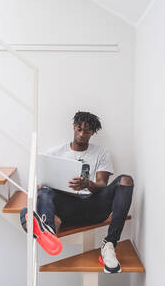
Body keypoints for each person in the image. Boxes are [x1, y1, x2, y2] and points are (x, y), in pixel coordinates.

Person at [20, 111, 134, 273]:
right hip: (67, 207)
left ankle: (109, 244)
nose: (81, 134)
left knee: (126, 180)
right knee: (44, 190)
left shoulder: (101, 153)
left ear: (92, 133)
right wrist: (39, 185)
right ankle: (49, 231)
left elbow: (102, 184)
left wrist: (87, 184)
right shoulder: (55, 152)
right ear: (74, 127)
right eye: (78, 129)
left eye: (86, 131)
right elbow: (40, 179)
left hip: (94, 207)